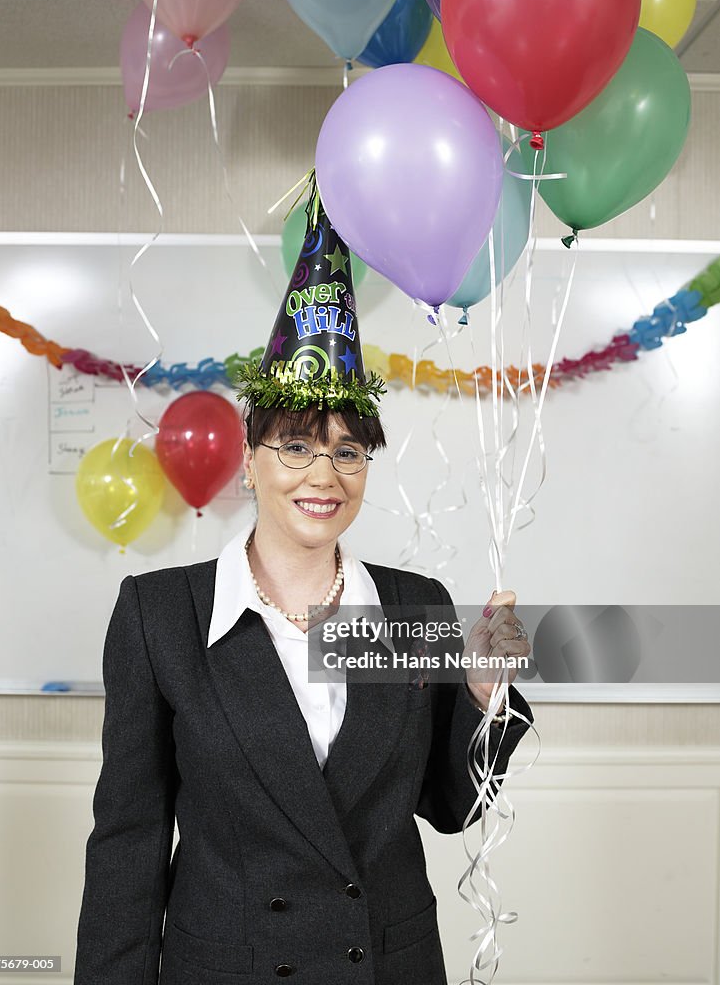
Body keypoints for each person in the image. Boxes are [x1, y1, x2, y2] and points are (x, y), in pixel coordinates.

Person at [74, 183, 534, 985]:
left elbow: (450, 807)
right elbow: (128, 841)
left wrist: (483, 695)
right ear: (249, 462)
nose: (324, 474)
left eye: (349, 451)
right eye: (295, 447)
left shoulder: (411, 604)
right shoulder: (160, 615)